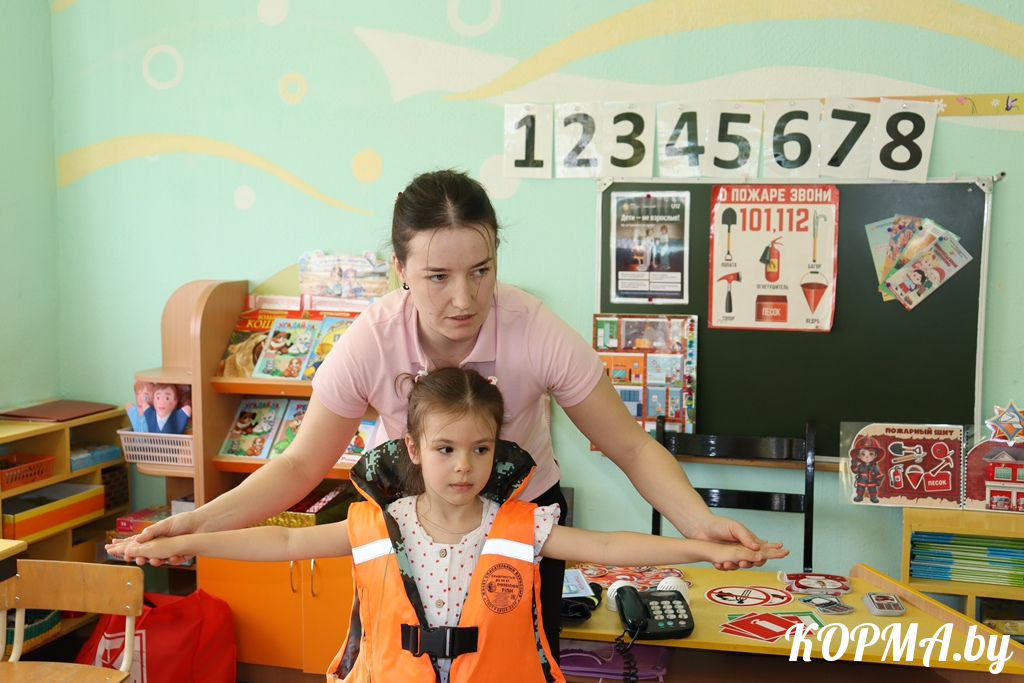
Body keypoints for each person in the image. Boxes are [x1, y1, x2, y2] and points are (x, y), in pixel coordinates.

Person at [133, 169, 785, 655]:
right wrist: (191, 523)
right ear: (400, 269)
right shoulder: (372, 340)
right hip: (413, 523)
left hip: (521, 521)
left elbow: (632, 447)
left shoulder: (536, 331)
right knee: (401, 657)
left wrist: (701, 525)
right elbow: (301, 465)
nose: (465, 298)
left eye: (481, 269)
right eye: (438, 276)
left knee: (517, 661)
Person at [111, 368, 784, 683]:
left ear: (498, 451)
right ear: (412, 449)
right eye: (445, 448)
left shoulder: (522, 524)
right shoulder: (379, 524)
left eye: (480, 449)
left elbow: (608, 544)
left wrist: (701, 547)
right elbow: (283, 539)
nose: (464, 466)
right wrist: (183, 538)